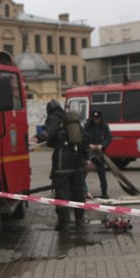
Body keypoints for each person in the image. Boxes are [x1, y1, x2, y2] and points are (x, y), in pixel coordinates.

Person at [41, 99, 88, 231]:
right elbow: (85, 142)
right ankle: (79, 220)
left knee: (62, 194)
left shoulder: (54, 118)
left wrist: (38, 137)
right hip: (78, 165)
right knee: (79, 193)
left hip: (62, 166)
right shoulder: (74, 122)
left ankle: (64, 223)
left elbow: (49, 135)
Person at [84, 110, 114, 198]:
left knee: (102, 174)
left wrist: (102, 145)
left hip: (100, 153)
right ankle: (83, 191)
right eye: (94, 119)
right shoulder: (87, 126)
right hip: (89, 153)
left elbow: (109, 137)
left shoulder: (104, 126)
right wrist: (89, 145)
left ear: (100, 118)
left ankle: (104, 192)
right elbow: (83, 137)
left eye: (98, 119)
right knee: (83, 172)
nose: (96, 120)